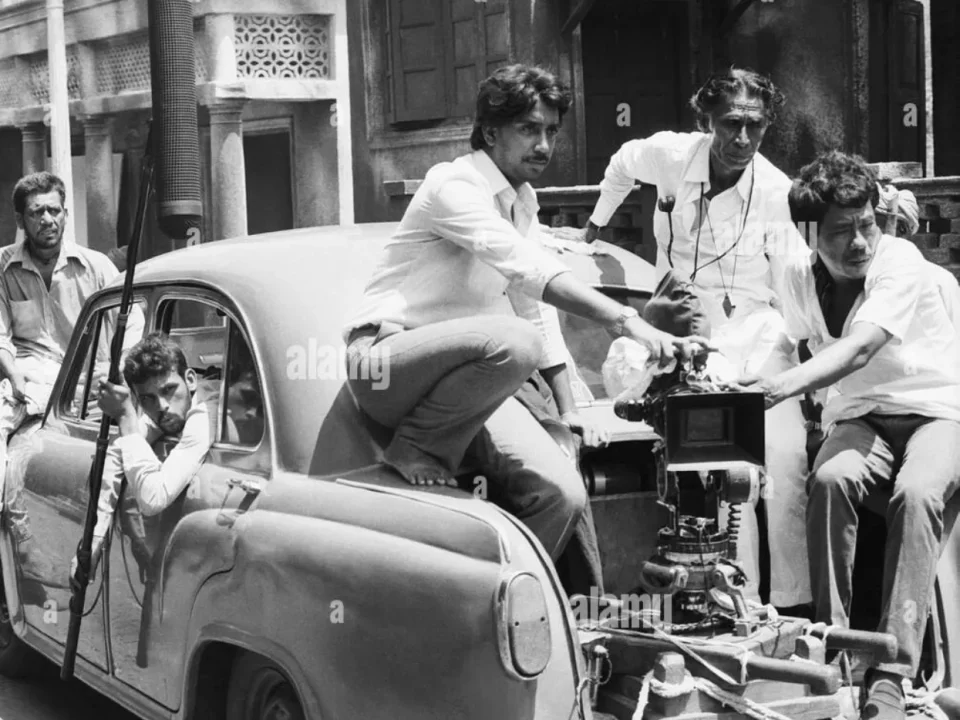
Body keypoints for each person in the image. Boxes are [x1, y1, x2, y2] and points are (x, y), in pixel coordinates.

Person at [343, 64, 709, 563]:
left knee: (562, 495)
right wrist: (628, 321)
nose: (543, 145)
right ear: (491, 132)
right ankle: (416, 447)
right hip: (387, 365)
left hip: (470, 384)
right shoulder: (453, 184)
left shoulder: (523, 200)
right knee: (516, 342)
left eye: (552, 132)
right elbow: (527, 270)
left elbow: (534, 308)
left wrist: (569, 412)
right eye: (529, 129)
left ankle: (493, 592)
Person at [553, 68, 813, 611]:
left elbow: (792, 285)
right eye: (731, 123)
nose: (743, 138)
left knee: (784, 453)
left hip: (753, 325)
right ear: (705, 121)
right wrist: (593, 229)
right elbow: (619, 165)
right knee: (720, 454)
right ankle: (735, 599)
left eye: (756, 126)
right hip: (674, 322)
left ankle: (791, 602)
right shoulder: (669, 155)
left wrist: (803, 371)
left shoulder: (775, 191)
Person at [742, 151, 960, 720]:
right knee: (830, 478)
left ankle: (892, 672)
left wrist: (777, 388)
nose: (859, 241)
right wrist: (750, 383)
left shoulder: (900, 260)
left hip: (938, 412)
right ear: (809, 234)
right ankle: (830, 647)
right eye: (841, 231)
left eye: (866, 224)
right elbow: (797, 343)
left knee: (917, 494)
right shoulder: (796, 276)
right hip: (861, 416)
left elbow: (860, 347)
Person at [0, 171, 144, 584]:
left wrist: (120, 371)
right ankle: (17, 541)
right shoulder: (4, 267)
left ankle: (132, 551)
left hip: (87, 382)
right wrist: (15, 377)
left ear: (65, 213)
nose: (47, 219)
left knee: (127, 450)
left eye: (54, 210)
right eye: (36, 212)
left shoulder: (96, 267)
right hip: (30, 380)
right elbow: (1, 337)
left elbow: (133, 322)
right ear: (21, 219)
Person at [70, 332, 220, 586]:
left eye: (169, 390)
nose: (161, 405)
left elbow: (153, 497)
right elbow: (117, 453)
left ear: (190, 380)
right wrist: (93, 540)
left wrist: (125, 417)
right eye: (148, 398)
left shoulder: (206, 410)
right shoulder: (167, 412)